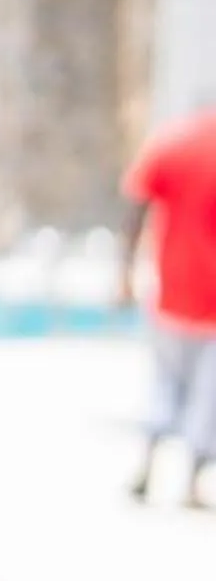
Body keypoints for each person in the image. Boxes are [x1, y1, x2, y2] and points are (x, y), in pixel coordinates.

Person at [122, 103, 216, 508]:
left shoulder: (173, 141)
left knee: (164, 382)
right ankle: (192, 483)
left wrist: (125, 270)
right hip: (211, 301)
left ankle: (147, 464)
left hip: (171, 287)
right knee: (208, 394)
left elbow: (137, 205)